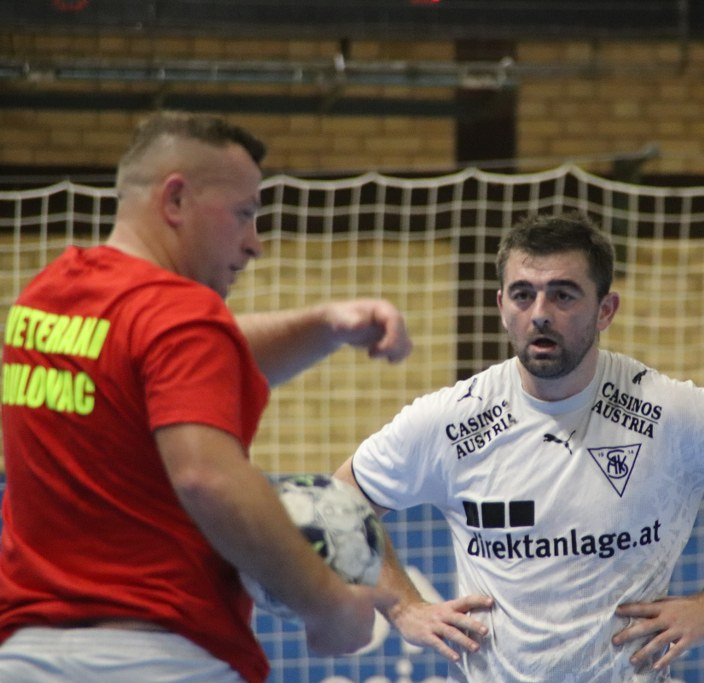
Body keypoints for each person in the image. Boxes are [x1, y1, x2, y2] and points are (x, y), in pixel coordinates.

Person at [0, 111, 412, 683]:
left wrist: (324, 326)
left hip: (25, 657)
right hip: (159, 661)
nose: (254, 244)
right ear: (175, 200)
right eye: (244, 213)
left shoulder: (45, 298)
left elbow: (182, 361)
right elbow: (207, 478)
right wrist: (328, 604)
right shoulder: (183, 315)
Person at [335, 211, 704, 682]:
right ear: (501, 307)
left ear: (605, 310)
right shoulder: (453, 420)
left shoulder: (671, 412)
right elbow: (340, 499)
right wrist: (401, 607)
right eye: (523, 295)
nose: (540, 314)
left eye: (563, 296)